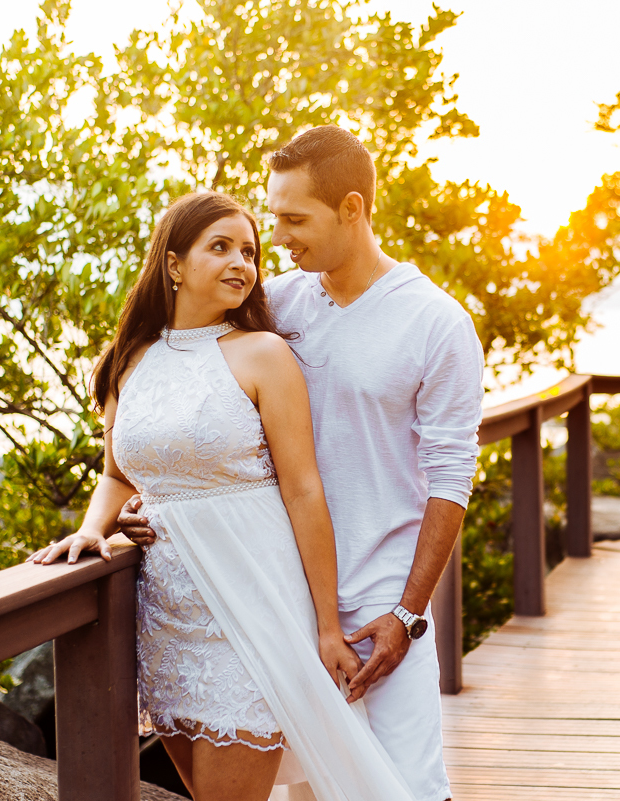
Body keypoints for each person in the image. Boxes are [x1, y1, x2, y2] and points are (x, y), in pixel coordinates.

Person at [119, 126, 485, 801]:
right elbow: (199, 400)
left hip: (380, 599)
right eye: (274, 216)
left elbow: (451, 478)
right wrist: (153, 500)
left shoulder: (435, 322)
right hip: (280, 592)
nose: (279, 237)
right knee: (314, 788)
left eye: (294, 218)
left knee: (406, 786)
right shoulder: (277, 306)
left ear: (352, 208)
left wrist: (407, 613)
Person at [30, 192, 416, 801]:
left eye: (250, 251)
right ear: (175, 263)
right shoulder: (128, 362)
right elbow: (117, 474)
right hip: (168, 623)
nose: (242, 262)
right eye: (221, 247)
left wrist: (325, 628)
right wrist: (93, 529)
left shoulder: (264, 354)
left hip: (254, 608)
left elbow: (304, 491)